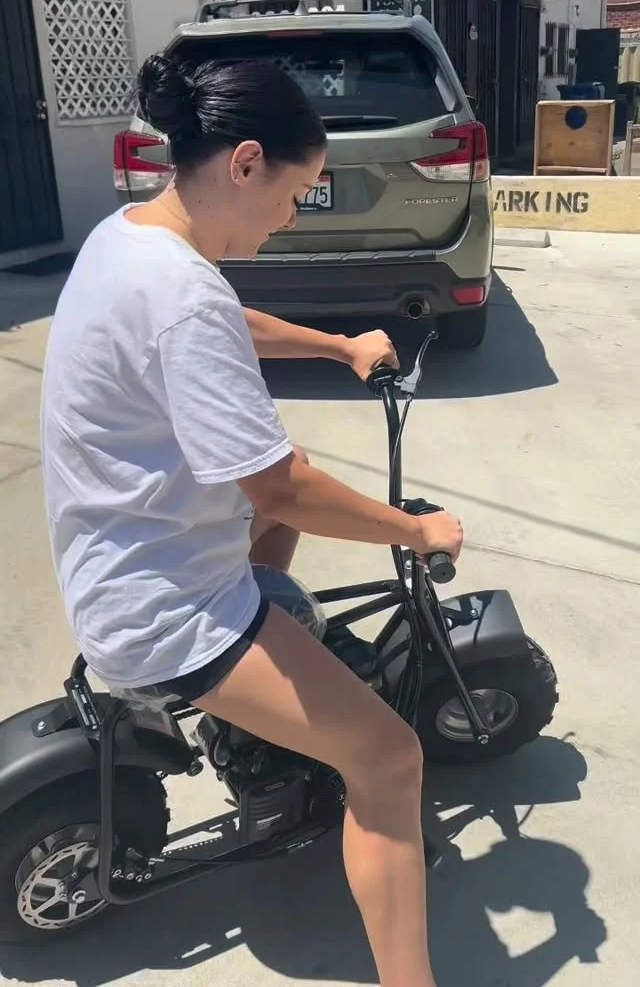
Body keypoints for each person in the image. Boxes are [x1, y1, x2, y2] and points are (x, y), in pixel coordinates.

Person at [41, 53, 463, 987]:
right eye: (294, 195)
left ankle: (258, 714)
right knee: (391, 760)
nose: (290, 218)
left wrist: (337, 345)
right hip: (163, 613)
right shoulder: (183, 294)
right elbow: (281, 494)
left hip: (118, 559)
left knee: (282, 469)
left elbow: (225, 323)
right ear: (244, 163)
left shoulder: (129, 236)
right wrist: (415, 530)